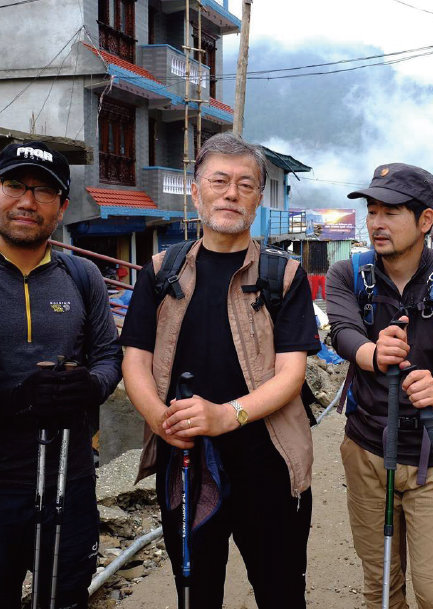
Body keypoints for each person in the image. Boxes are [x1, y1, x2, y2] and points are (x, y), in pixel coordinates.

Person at [121, 133, 320, 609]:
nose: (231, 193)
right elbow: (136, 360)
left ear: (256, 199)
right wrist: (160, 422)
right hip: (186, 463)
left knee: (281, 592)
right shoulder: (161, 271)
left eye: (245, 184)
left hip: (269, 462)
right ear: (196, 190)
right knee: (195, 591)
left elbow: (291, 375)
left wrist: (224, 416)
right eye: (219, 180)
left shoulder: (283, 276)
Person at [326, 163, 433, 609]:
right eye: (372, 211)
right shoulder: (349, 274)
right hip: (367, 450)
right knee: (380, 585)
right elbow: (341, 331)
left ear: (426, 220)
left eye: (390, 212)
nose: (376, 222)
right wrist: (373, 354)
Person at [0, 141, 122, 608]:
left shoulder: (82, 275)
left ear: (62, 207)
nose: (27, 202)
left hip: (68, 476)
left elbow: (110, 355)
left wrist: (92, 383)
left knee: (65, 596)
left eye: (43, 192)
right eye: (14, 185)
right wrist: (19, 398)